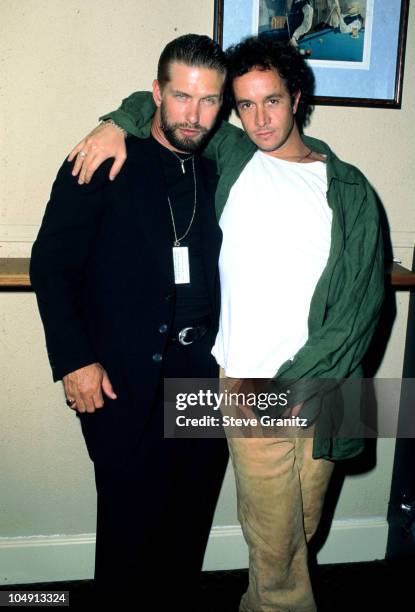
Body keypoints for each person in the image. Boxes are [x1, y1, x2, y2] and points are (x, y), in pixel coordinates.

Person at [67, 36, 384, 611]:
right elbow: (172, 106)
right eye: (245, 105)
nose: (259, 118)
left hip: (333, 388)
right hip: (250, 387)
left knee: (297, 539)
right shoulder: (233, 161)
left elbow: (364, 306)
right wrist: (115, 123)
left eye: (273, 102)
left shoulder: (352, 188)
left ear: (297, 98)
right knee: (277, 550)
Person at [30, 34, 229, 609]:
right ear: (155, 95)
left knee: (185, 529)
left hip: (203, 376)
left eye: (210, 100)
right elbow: (52, 263)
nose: (195, 115)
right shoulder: (103, 157)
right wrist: (74, 360)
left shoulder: (224, 169)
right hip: (121, 378)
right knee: (128, 531)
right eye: (182, 96)